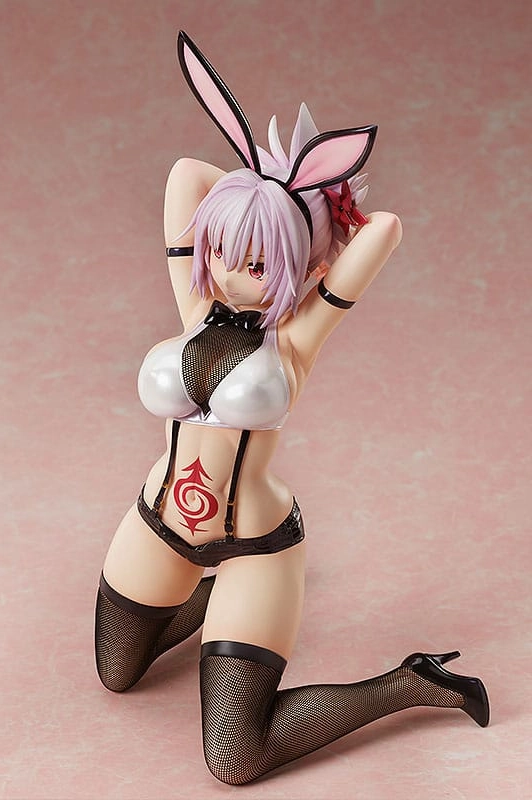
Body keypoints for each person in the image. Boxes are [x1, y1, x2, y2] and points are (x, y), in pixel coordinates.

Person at [94, 31, 489, 786]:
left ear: (299, 266)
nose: (231, 273)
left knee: (234, 757)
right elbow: (185, 175)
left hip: (256, 547)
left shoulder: (297, 339)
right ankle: (206, 600)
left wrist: (310, 218)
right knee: (117, 671)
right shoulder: (193, 307)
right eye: (221, 250)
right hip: (157, 523)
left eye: (257, 262)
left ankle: (410, 684)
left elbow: (384, 231)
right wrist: (256, 194)